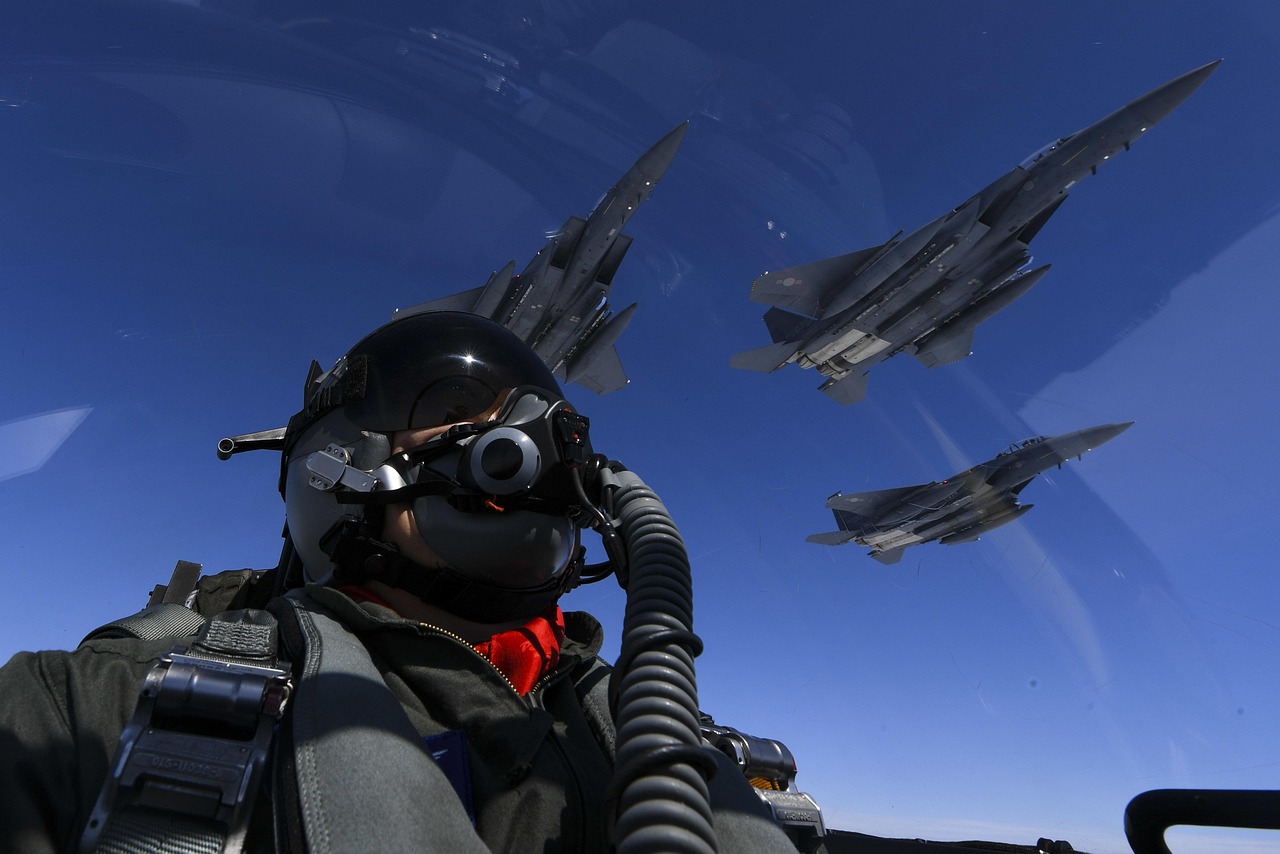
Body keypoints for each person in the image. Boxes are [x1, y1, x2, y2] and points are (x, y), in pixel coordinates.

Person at [0, 310, 798, 853]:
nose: (525, 434)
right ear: (337, 468)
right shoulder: (90, 714)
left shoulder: (660, 738)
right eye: (456, 405)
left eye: (537, 414)